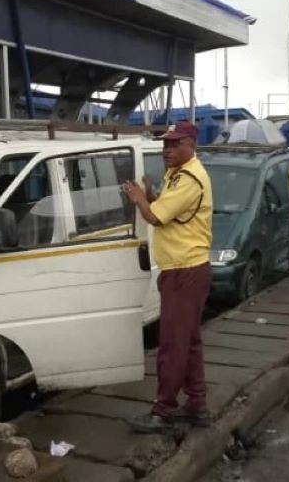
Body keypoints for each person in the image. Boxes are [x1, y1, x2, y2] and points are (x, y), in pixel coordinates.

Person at [122, 120, 213, 434]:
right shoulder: (178, 175)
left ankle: (163, 411)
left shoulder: (189, 178)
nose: (168, 150)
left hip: (184, 271)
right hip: (186, 268)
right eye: (165, 145)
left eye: (175, 144)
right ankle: (197, 404)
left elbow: (156, 217)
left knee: (173, 344)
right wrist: (151, 193)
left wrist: (139, 199)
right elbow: (165, 206)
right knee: (188, 343)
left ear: (191, 144)